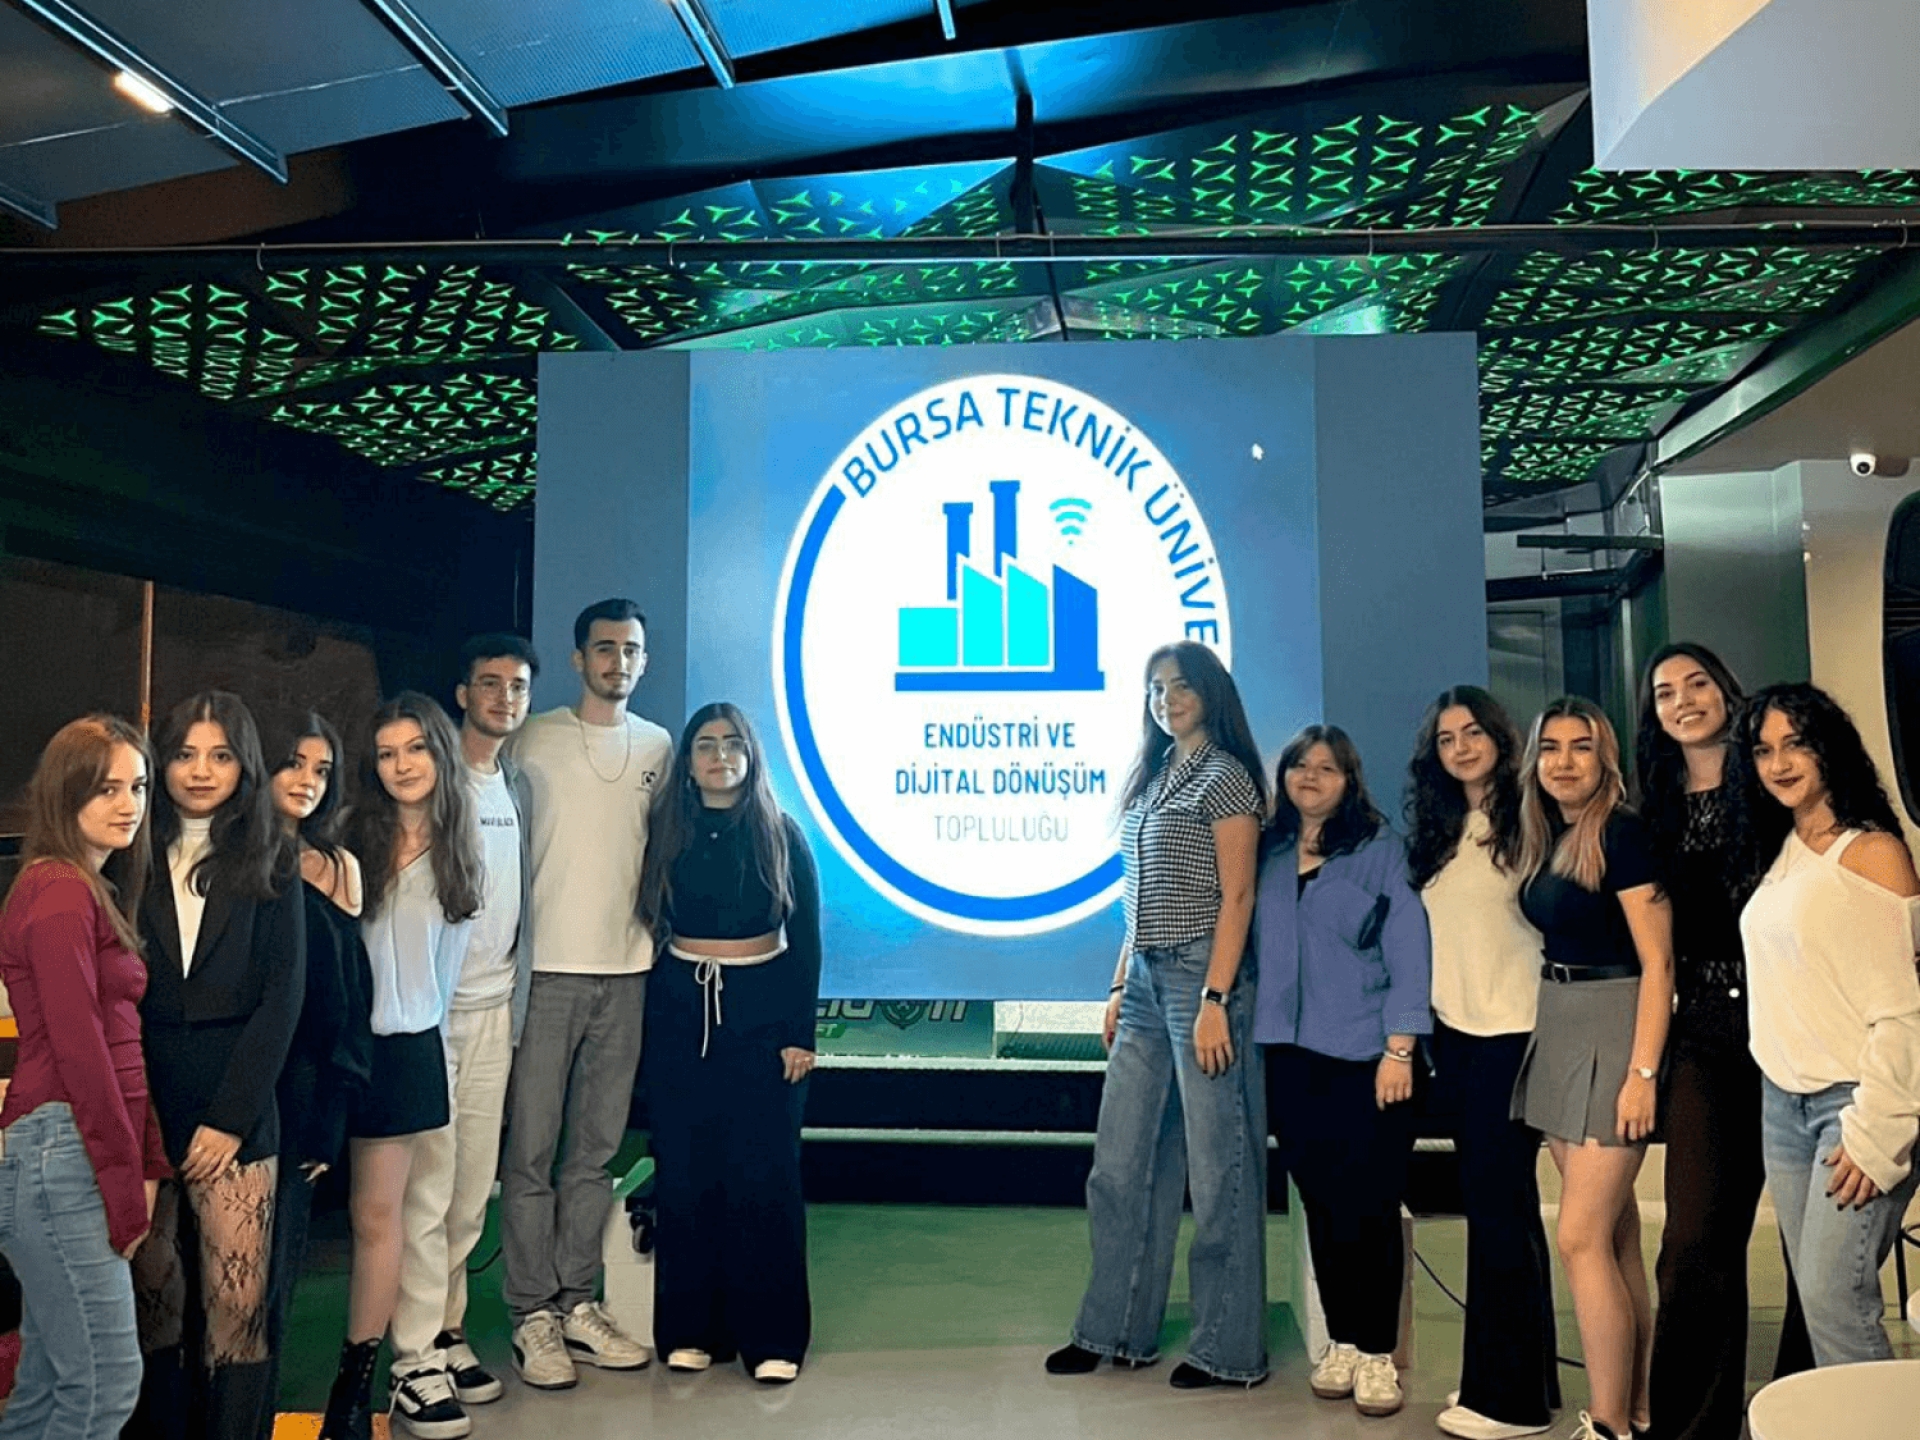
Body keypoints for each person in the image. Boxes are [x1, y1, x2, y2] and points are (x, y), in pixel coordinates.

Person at [1047, 640, 1268, 1389]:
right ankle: (1113, 1330)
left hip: (1203, 981)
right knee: (1120, 1165)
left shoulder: (1226, 776)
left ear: (1209, 692)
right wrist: (1118, 985)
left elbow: (1239, 896)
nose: (1165, 700)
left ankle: (1227, 1349)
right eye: (1154, 689)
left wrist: (1215, 1000)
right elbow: (1135, 896)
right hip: (1143, 980)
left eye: (1178, 687)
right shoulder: (1154, 774)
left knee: (1218, 1167)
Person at [1632, 646, 1810, 1440]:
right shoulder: (1653, 809)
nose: (1684, 700)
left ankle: (1801, 1412)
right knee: (1693, 1241)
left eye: (1698, 682)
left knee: (1811, 1245)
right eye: (1665, 692)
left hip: (1795, 1019)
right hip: (1705, 1033)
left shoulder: (1774, 787)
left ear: (1727, 690)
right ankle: (1691, 1429)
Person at [500, 599, 671, 1388]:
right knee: (531, 1153)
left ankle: (576, 1303)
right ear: (578, 659)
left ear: (644, 660)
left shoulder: (660, 746)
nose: (618, 662)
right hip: (545, 975)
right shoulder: (531, 738)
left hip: (627, 974)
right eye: (604, 649)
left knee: (595, 1157)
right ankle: (529, 1314)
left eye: (631, 650)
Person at [132, 692, 306, 1440]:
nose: (201, 771)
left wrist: (231, 1120)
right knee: (154, 1298)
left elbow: (283, 998)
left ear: (245, 765)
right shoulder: (129, 854)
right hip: (145, 1097)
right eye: (184, 754)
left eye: (221, 755)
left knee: (237, 1305)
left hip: (239, 1100)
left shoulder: (276, 856)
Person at [1731, 682, 1920, 1366]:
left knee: (1835, 1300)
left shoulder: (1871, 852)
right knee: (1818, 1302)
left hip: (1855, 1107)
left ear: (1828, 749)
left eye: (1796, 744)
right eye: (1763, 750)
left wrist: (1877, 1132)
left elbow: (1905, 1011)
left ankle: (1875, 1417)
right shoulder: (1783, 849)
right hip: (1783, 1107)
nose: (1779, 763)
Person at [637, 702, 821, 1384]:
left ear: (750, 755)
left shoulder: (781, 833)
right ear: (687, 763)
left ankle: (773, 1339)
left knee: (763, 1176)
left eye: (733, 743)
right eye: (706, 745)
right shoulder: (668, 833)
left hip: (763, 1017)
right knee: (687, 1174)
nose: (720, 756)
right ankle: (692, 1331)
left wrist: (799, 1034)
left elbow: (807, 940)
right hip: (680, 1013)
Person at [1255, 724, 1430, 1419]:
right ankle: (1345, 1342)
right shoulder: (1268, 854)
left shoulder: (1382, 852)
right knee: (1323, 1205)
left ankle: (1379, 1352)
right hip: (1290, 1058)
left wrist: (1400, 1049)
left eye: (1327, 768)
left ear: (1349, 781)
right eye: (1300, 765)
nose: (1310, 777)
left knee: (1370, 1206)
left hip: (1368, 1058)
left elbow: (1410, 954)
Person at [0, 716, 168, 1438]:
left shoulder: (79, 888)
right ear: (66, 793)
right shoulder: (59, 894)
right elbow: (82, 1056)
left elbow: (121, 1048)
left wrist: (145, 1159)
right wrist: (127, 1189)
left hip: (63, 1152)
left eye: (138, 786)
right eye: (106, 788)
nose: (128, 804)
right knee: (103, 1386)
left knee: (47, 1387)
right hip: (60, 1151)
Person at [320, 694, 480, 1440]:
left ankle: (356, 1391)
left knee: (381, 1220)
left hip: (409, 1050)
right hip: (337, 1049)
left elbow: (444, 978)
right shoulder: (348, 836)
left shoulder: (460, 850)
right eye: (386, 754)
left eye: (415, 749)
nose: (401, 765)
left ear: (440, 754)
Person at [1511, 698, 1672, 1440]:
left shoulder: (1624, 833)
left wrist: (1642, 1074)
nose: (1564, 761)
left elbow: (1658, 962)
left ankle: (1606, 1424)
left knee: (1578, 1237)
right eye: (1551, 747)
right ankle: (1638, 1409)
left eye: (1581, 747)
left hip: (1615, 1027)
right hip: (1560, 1023)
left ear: (1605, 758)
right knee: (1613, 1237)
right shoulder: (1549, 834)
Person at [389, 637, 537, 1435]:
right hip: (428, 1022)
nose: (503, 697)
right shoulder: (431, 784)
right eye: (489, 683)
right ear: (461, 693)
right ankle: (411, 1356)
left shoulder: (516, 785)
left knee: (470, 1191)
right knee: (426, 1191)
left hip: (493, 1012)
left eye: (517, 686)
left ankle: (446, 1331)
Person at [1405, 688, 1559, 1439]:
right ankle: (1524, 1383)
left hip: (1518, 1033)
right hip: (1457, 1035)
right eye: (1446, 739)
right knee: (1505, 1210)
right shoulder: (1440, 832)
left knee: (1498, 1211)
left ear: (1500, 737)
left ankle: (1509, 1403)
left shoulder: (1535, 821)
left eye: (1472, 732)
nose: (1461, 747)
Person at [257, 712, 373, 1440]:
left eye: (321, 770)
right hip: (231, 1093)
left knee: (272, 1287)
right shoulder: (232, 859)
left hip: (303, 1100)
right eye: (293, 763)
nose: (307, 781)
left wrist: (332, 1113)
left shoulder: (339, 866)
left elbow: (350, 1006)